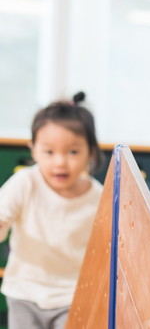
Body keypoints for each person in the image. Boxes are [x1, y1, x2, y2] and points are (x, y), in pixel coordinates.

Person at [0, 92, 104, 329]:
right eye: (49, 152)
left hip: (72, 295)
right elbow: (3, 217)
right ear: (33, 150)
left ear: (91, 151)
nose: (60, 162)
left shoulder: (97, 197)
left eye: (73, 152)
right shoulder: (25, 182)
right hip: (24, 292)